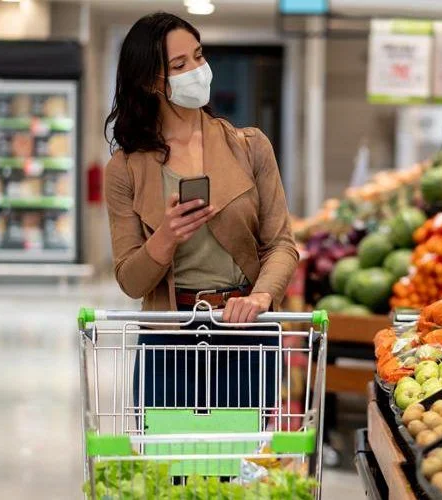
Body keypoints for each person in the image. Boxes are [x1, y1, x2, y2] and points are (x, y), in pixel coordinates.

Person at [104, 12, 298, 416]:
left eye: (198, 57)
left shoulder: (249, 146)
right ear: (148, 82)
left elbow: (281, 244)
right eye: (179, 66)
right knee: (171, 469)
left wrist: (262, 295)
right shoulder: (125, 169)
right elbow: (130, 280)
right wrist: (165, 238)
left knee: (244, 469)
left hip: (244, 330)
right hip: (167, 339)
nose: (196, 71)